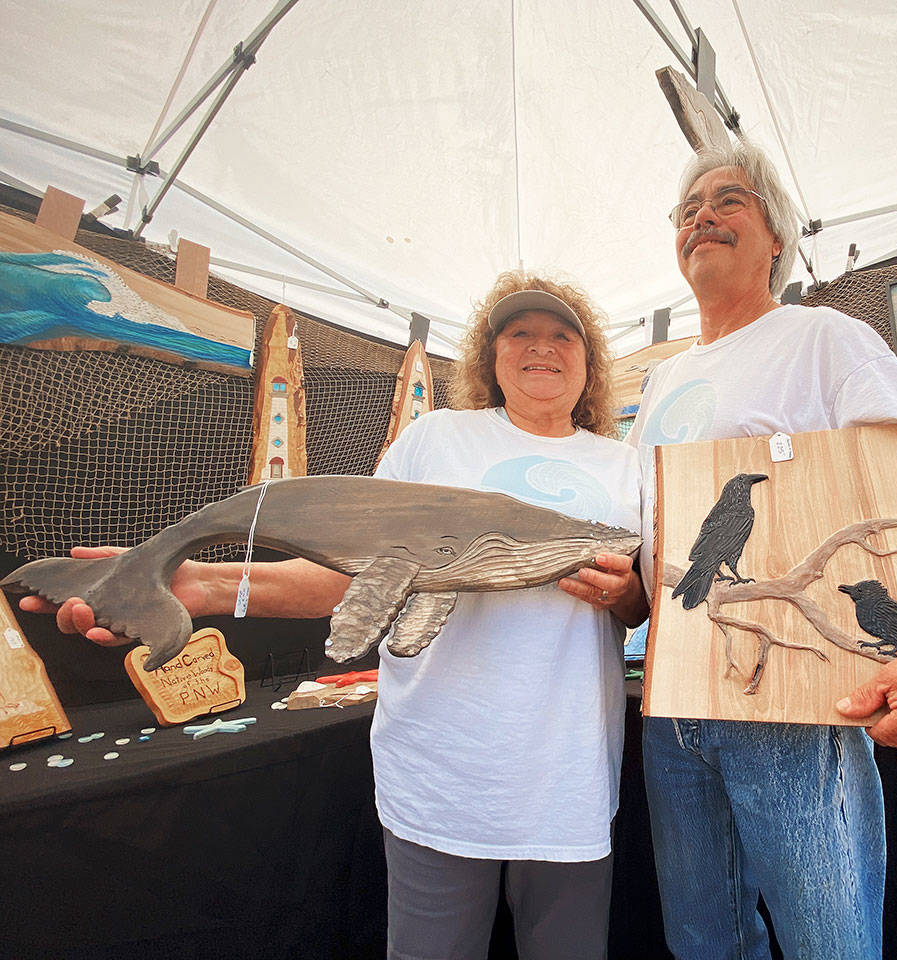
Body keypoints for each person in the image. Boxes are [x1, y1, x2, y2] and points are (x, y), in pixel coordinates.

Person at [20, 271, 647, 960]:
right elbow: (346, 573)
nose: (541, 347)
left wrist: (622, 594)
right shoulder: (437, 437)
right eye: (519, 332)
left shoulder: (628, 466)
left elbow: (644, 602)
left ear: (590, 363)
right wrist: (202, 584)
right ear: (489, 356)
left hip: (567, 777)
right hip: (440, 770)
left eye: (564, 335)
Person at [628, 142, 897, 959]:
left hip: (794, 709)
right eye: (687, 206)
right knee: (703, 943)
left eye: (728, 200)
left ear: (778, 239)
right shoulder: (660, 384)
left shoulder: (821, 339)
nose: (703, 214)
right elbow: (653, 553)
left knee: (826, 947)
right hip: (671, 704)